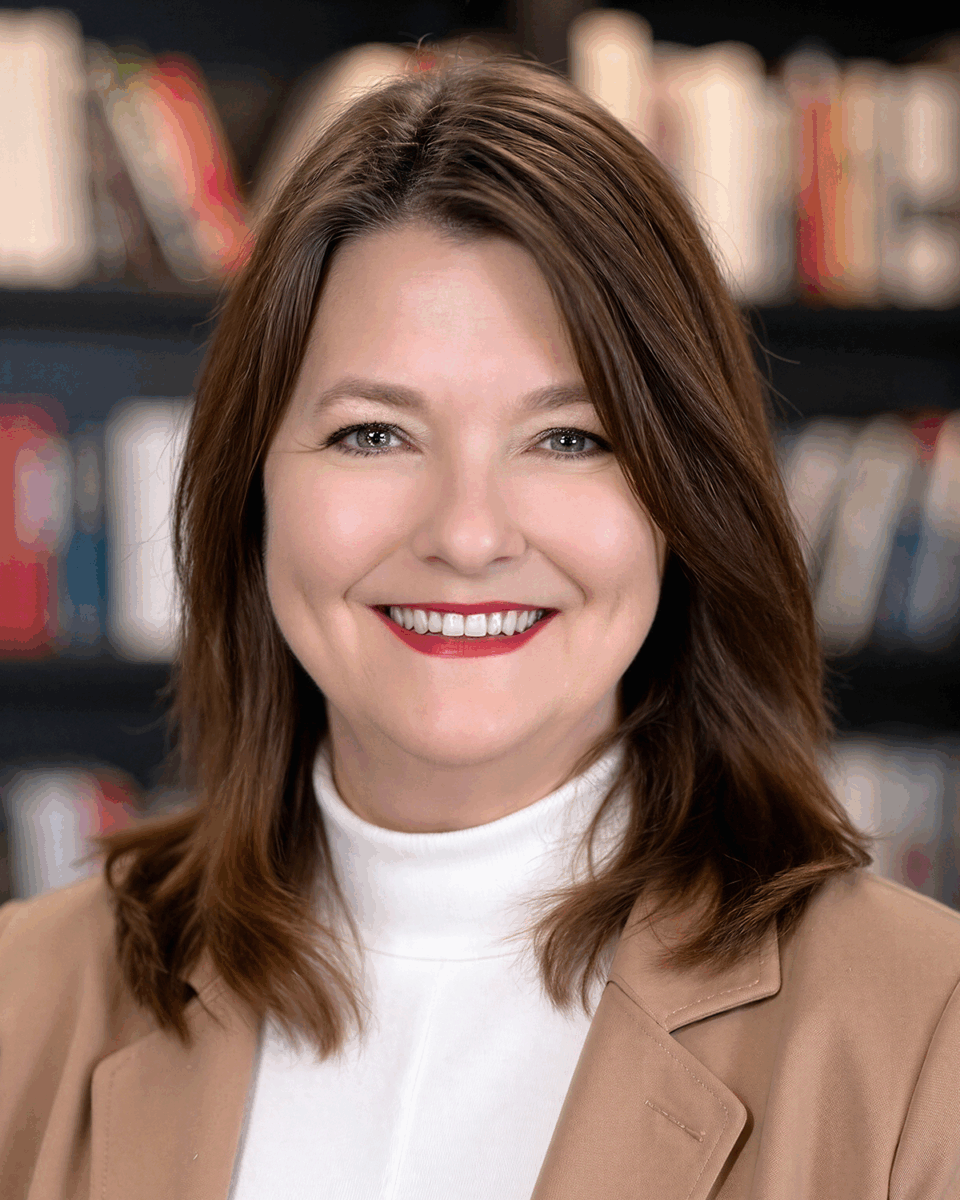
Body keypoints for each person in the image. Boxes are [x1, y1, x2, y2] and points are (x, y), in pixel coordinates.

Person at [2, 48, 959, 1200]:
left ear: (683, 497)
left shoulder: (924, 1035)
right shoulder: (25, 1001)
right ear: (250, 487)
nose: (467, 534)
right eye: (372, 434)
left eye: (570, 438)